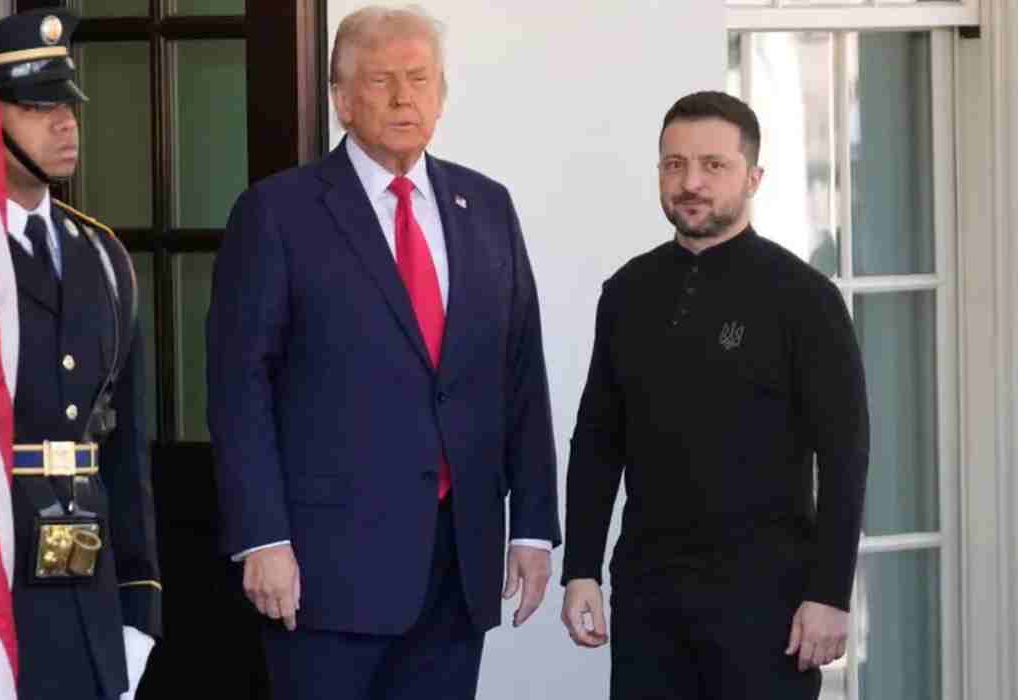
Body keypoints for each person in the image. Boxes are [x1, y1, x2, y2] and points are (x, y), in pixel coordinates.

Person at [206, 5, 560, 700]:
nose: (404, 98)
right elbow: (239, 386)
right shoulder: (278, 213)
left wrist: (533, 528)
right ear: (341, 100)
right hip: (324, 573)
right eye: (380, 81)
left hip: (457, 566)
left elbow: (521, 374)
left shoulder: (487, 207)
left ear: (442, 95)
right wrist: (262, 537)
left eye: (420, 79)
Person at [560, 91, 869, 700]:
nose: (691, 182)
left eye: (713, 165)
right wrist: (581, 569)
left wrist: (830, 593)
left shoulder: (804, 298)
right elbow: (598, 440)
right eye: (674, 164)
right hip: (649, 595)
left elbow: (845, 454)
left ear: (753, 177)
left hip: (769, 602)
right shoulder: (627, 292)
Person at [0, 9, 161, 699]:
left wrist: (139, 605)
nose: (65, 124)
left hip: (87, 592)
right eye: (38, 107)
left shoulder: (102, 256)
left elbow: (124, 449)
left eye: (68, 105)